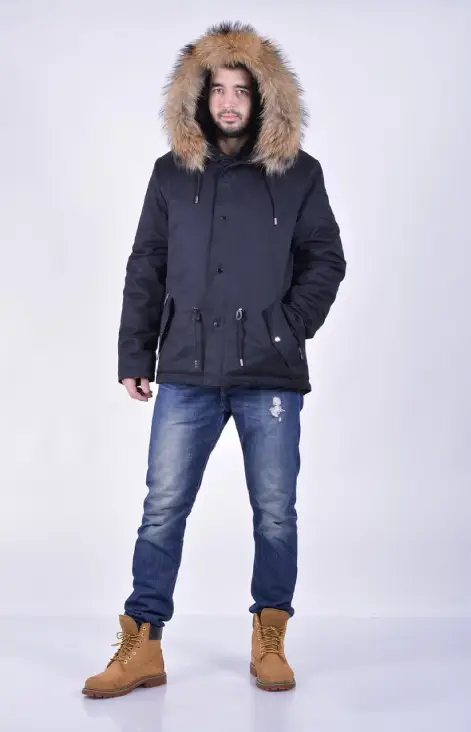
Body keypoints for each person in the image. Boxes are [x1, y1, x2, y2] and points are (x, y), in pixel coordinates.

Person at [82, 21, 346, 698]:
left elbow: (325, 259)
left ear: (264, 98)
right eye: (218, 89)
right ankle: (143, 644)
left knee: (275, 510)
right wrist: (136, 351)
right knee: (163, 507)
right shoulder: (170, 174)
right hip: (187, 369)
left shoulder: (300, 174)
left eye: (242, 90)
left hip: (269, 372)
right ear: (198, 96)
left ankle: (270, 637)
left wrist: (286, 328)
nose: (229, 102)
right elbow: (146, 264)